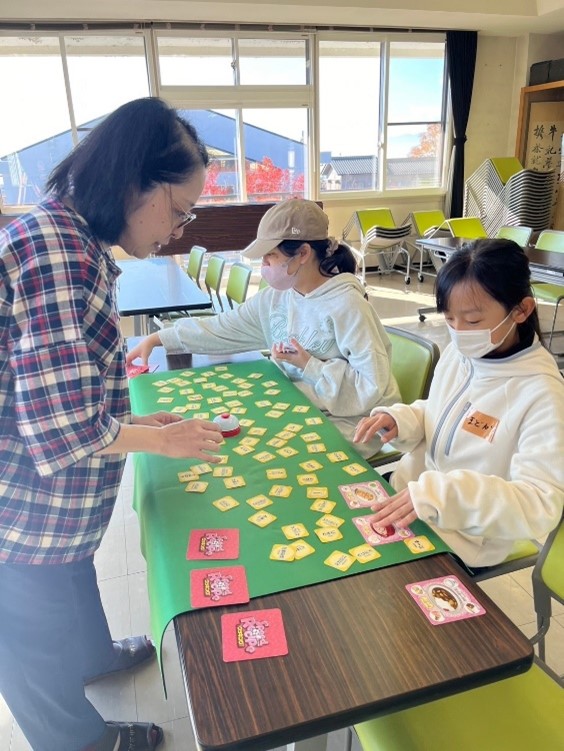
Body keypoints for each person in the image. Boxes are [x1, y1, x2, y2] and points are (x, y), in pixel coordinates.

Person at [0, 98, 223, 751]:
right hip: (19, 512)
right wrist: (160, 438)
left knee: (68, 583)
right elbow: (64, 425)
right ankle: (82, 743)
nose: (177, 230)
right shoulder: (62, 252)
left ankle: (92, 656)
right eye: (178, 211)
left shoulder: (65, 234)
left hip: (44, 510)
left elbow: (65, 383)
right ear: (136, 185)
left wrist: (136, 417)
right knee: (32, 639)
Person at [126, 199, 401, 457]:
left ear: (303, 253)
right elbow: (223, 328)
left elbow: (371, 386)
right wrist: (162, 337)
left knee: (269, 454)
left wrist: (310, 365)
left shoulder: (348, 305)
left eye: (270, 255)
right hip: (302, 404)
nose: (264, 265)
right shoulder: (279, 296)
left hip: (351, 423)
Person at [354, 238, 564, 568]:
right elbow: (440, 411)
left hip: (461, 539)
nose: (459, 332)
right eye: (450, 319)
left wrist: (441, 496)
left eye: (473, 321)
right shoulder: (464, 351)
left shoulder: (541, 393)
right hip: (409, 496)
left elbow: (540, 504)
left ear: (521, 310)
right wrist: (403, 419)